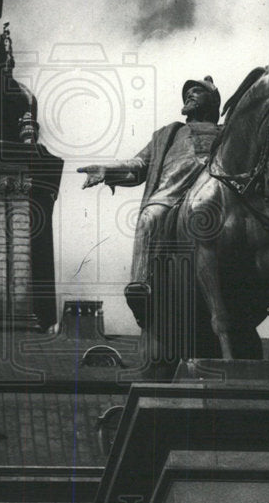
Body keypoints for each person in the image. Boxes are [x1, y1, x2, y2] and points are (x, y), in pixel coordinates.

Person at [79, 76, 222, 326]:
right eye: (187, 92)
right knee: (148, 218)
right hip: (170, 194)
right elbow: (139, 164)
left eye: (197, 91)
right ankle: (141, 283)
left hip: (215, 194)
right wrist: (107, 170)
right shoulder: (169, 134)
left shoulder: (226, 131)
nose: (189, 95)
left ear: (212, 99)